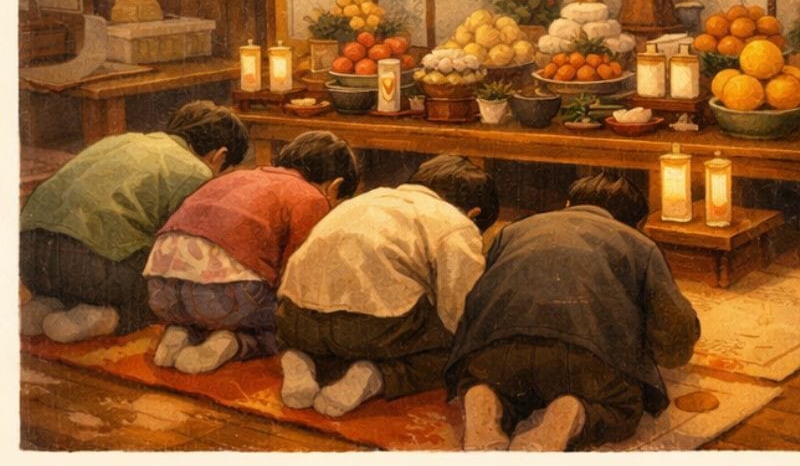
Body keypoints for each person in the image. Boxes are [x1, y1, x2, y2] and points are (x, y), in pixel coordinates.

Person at [445, 171, 700, 451]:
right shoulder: (639, 243)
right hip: (585, 362)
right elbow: (675, 342)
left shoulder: (513, 231)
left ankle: (483, 401)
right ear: (635, 223)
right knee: (624, 405)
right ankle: (569, 412)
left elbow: (479, 297)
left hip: (498, 353)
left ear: (568, 204)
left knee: (488, 380)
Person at [276, 154, 499, 417]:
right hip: (371, 330)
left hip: (296, 320)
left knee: (326, 336)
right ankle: (376, 376)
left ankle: (299, 359)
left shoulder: (366, 198)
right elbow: (461, 310)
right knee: (460, 351)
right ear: (474, 214)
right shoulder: (456, 222)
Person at [19, 100, 249, 343]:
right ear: (220, 155)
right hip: (91, 271)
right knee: (176, 290)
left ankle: (46, 303)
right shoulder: (197, 171)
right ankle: (107, 317)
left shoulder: (121, 141)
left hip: (29, 258)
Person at [143, 130, 360, 374]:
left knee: (210, 306)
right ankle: (234, 343)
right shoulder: (312, 198)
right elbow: (296, 275)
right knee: (295, 325)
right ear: (334, 186)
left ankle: (182, 330)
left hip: (161, 291)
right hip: (226, 300)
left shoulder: (238, 175)